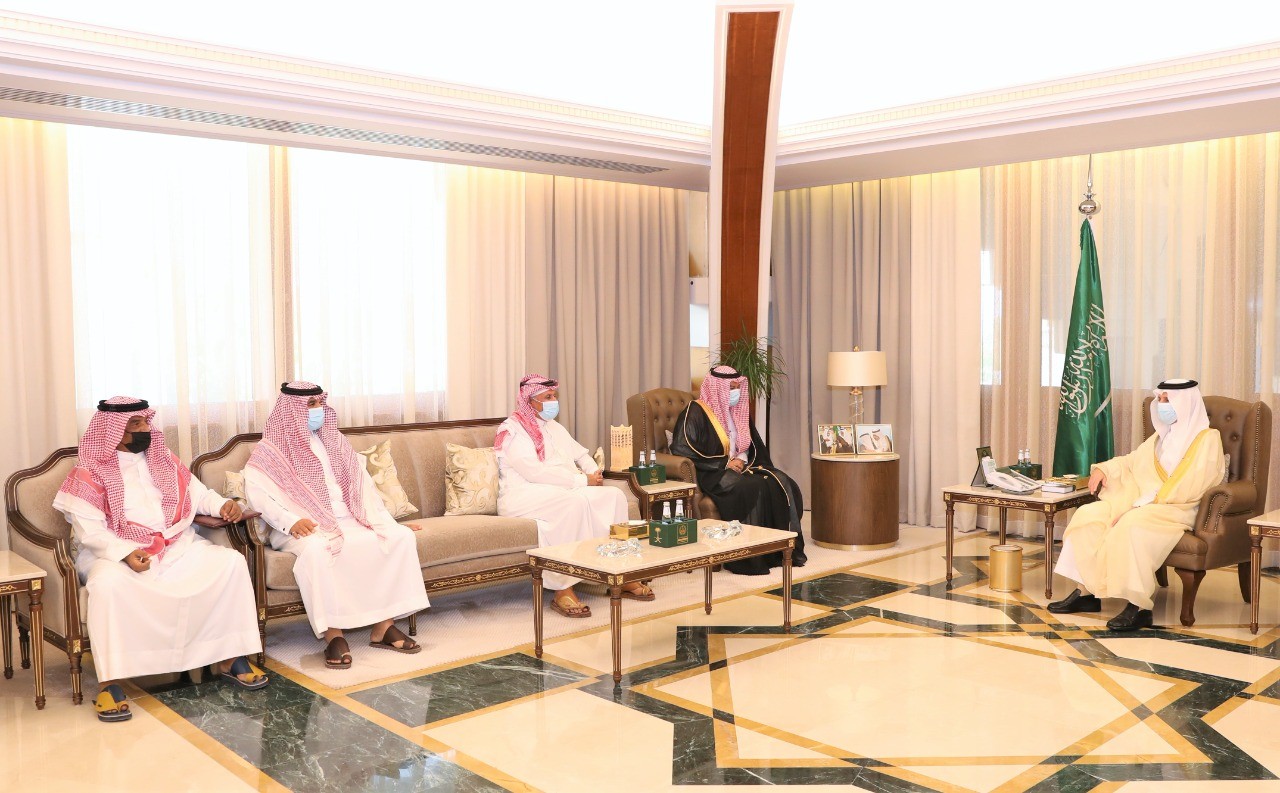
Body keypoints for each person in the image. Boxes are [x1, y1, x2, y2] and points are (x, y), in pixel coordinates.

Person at [53, 397, 267, 723]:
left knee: (230, 564)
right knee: (107, 585)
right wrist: (125, 553)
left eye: (145, 422)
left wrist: (222, 505)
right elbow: (89, 531)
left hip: (174, 546)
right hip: (114, 552)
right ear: (112, 430)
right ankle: (111, 682)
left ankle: (229, 657)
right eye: (135, 424)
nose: (144, 429)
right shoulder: (89, 471)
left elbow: (198, 495)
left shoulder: (162, 459)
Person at [246, 382, 429, 669]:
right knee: (320, 551)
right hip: (303, 526)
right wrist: (291, 522)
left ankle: (384, 626)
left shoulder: (334, 440)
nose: (318, 410)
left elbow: (363, 487)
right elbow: (258, 495)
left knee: (399, 537)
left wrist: (385, 522)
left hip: (347, 518)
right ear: (290, 410)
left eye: (320, 403)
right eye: (311, 405)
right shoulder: (270, 449)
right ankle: (334, 635)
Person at [1048, 379, 1226, 631]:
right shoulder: (1161, 435)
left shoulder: (1207, 439)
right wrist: (1104, 469)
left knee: (1132, 525)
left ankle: (1138, 606)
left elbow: (1191, 484)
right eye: (1160, 398)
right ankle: (1086, 592)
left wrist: (1140, 506)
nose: (1162, 404)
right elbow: (1131, 462)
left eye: (1167, 399)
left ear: (1186, 402)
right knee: (1088, 515)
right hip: (1141, 502)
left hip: (1176, 507)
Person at [495, 374, 652, 617]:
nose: (553, 401)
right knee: (572, 503)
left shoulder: (555, 427)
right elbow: (534, 472)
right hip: (522, 494)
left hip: (560, 489)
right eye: (548, 397)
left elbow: (581, 454)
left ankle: (619, 572)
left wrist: (594, 471)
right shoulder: (512, 429)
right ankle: (563, 588)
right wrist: (582, 480)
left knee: (614, 496)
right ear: (530, 401)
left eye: (554, 396)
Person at [670, 366, 807, 574]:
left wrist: (743, 461)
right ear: (717, 388)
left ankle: (776, 551)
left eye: (737, 387)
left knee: (779, 481)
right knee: (750, 487)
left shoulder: (738, 411)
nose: (735, 393)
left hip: (742, 467)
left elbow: (751, 446)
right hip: (712, 471)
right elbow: (682, 447)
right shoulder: (695, 411)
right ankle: (748, 557)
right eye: (730, 388)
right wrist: (725, 463)